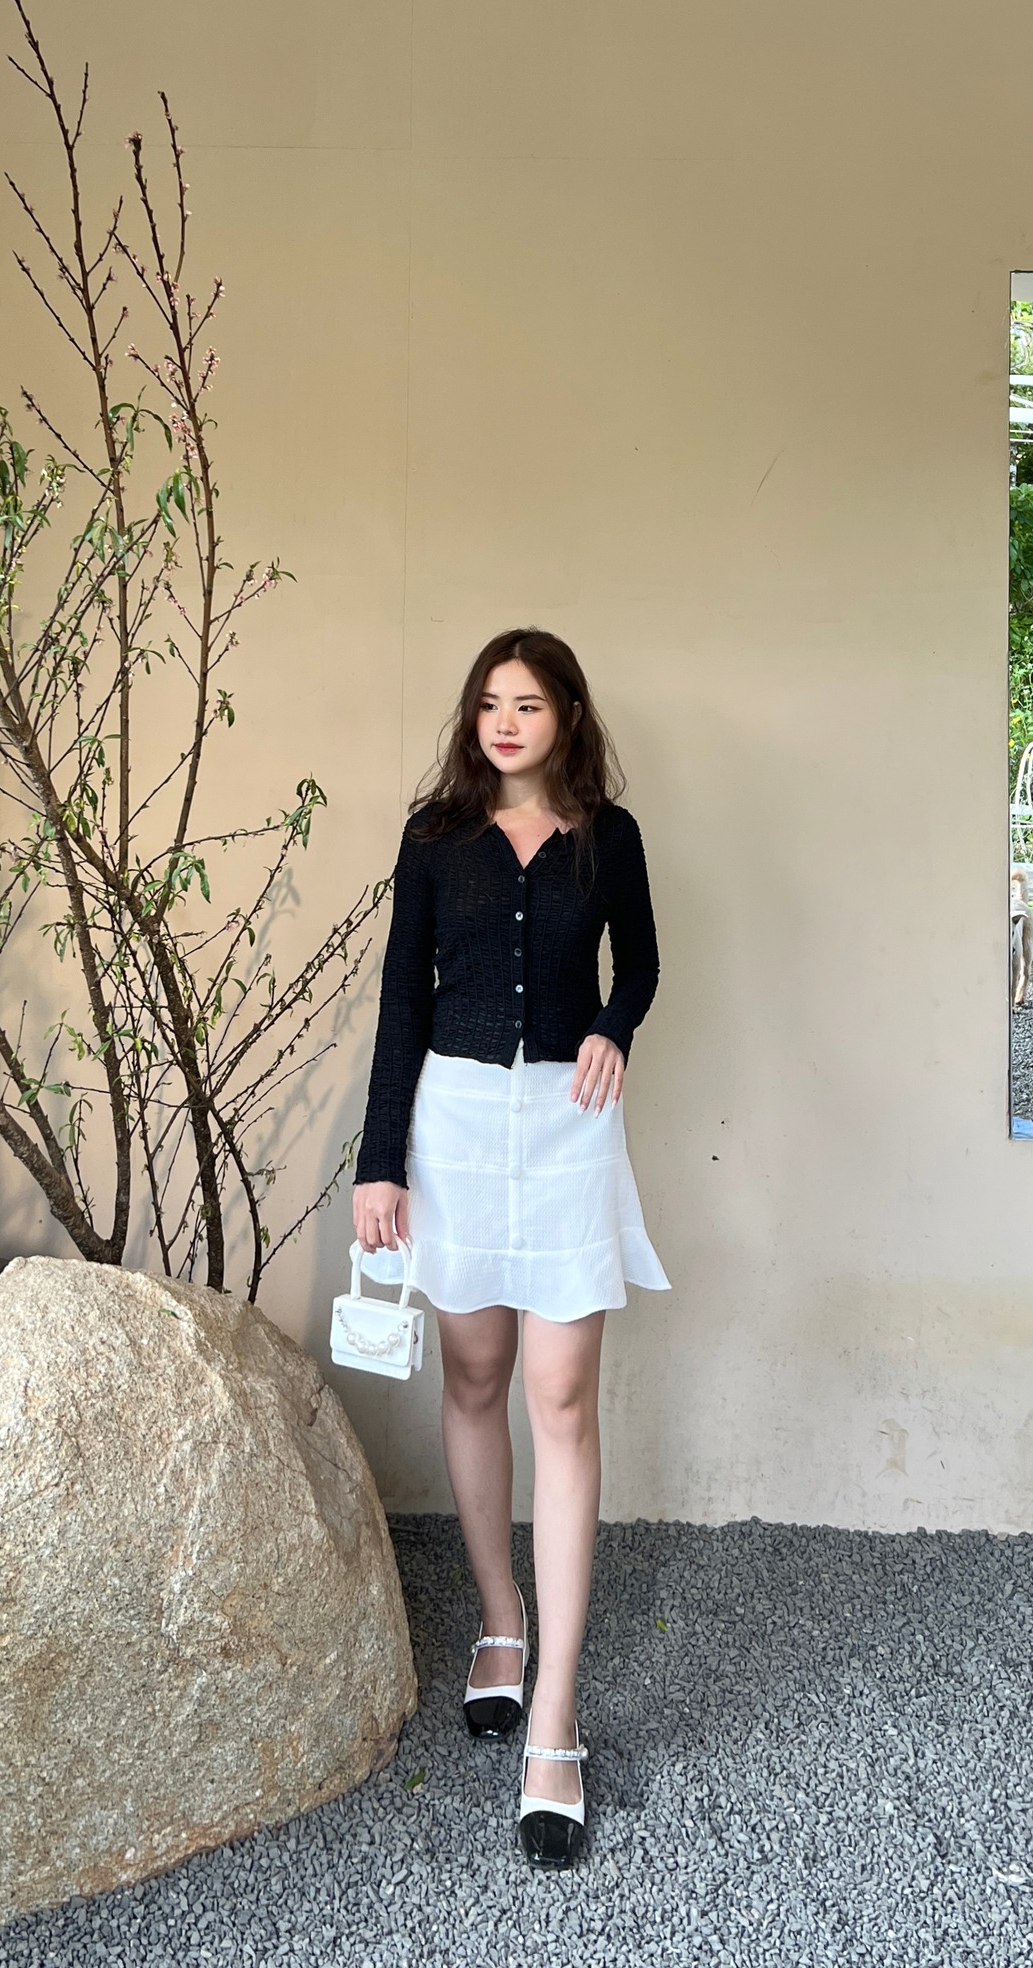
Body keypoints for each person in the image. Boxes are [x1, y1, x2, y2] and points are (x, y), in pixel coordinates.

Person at [351, 626, 671, 1871]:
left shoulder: (609, 836)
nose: (504, 720)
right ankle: (500, 1618)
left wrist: (612, 1024)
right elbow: (401, 994)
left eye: (528, 703)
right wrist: (380, 1159)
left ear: (567, 716)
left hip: (571, 1127)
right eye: (490, 701)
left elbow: (640, 962)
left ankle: (555, 1717)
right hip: (457, 1130)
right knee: (476, 1374)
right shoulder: (436, 836)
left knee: (562, 1395)